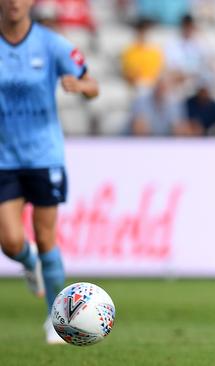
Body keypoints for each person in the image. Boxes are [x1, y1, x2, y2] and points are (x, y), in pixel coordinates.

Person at [0, 0, 99, 344]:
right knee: (11, 242)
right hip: (4, 157)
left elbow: (93, 85)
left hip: (44, 156)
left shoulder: (52, 44)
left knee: (46, 238)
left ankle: (57, 320)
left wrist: (81, 87)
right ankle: (30, 263)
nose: (14, 2)